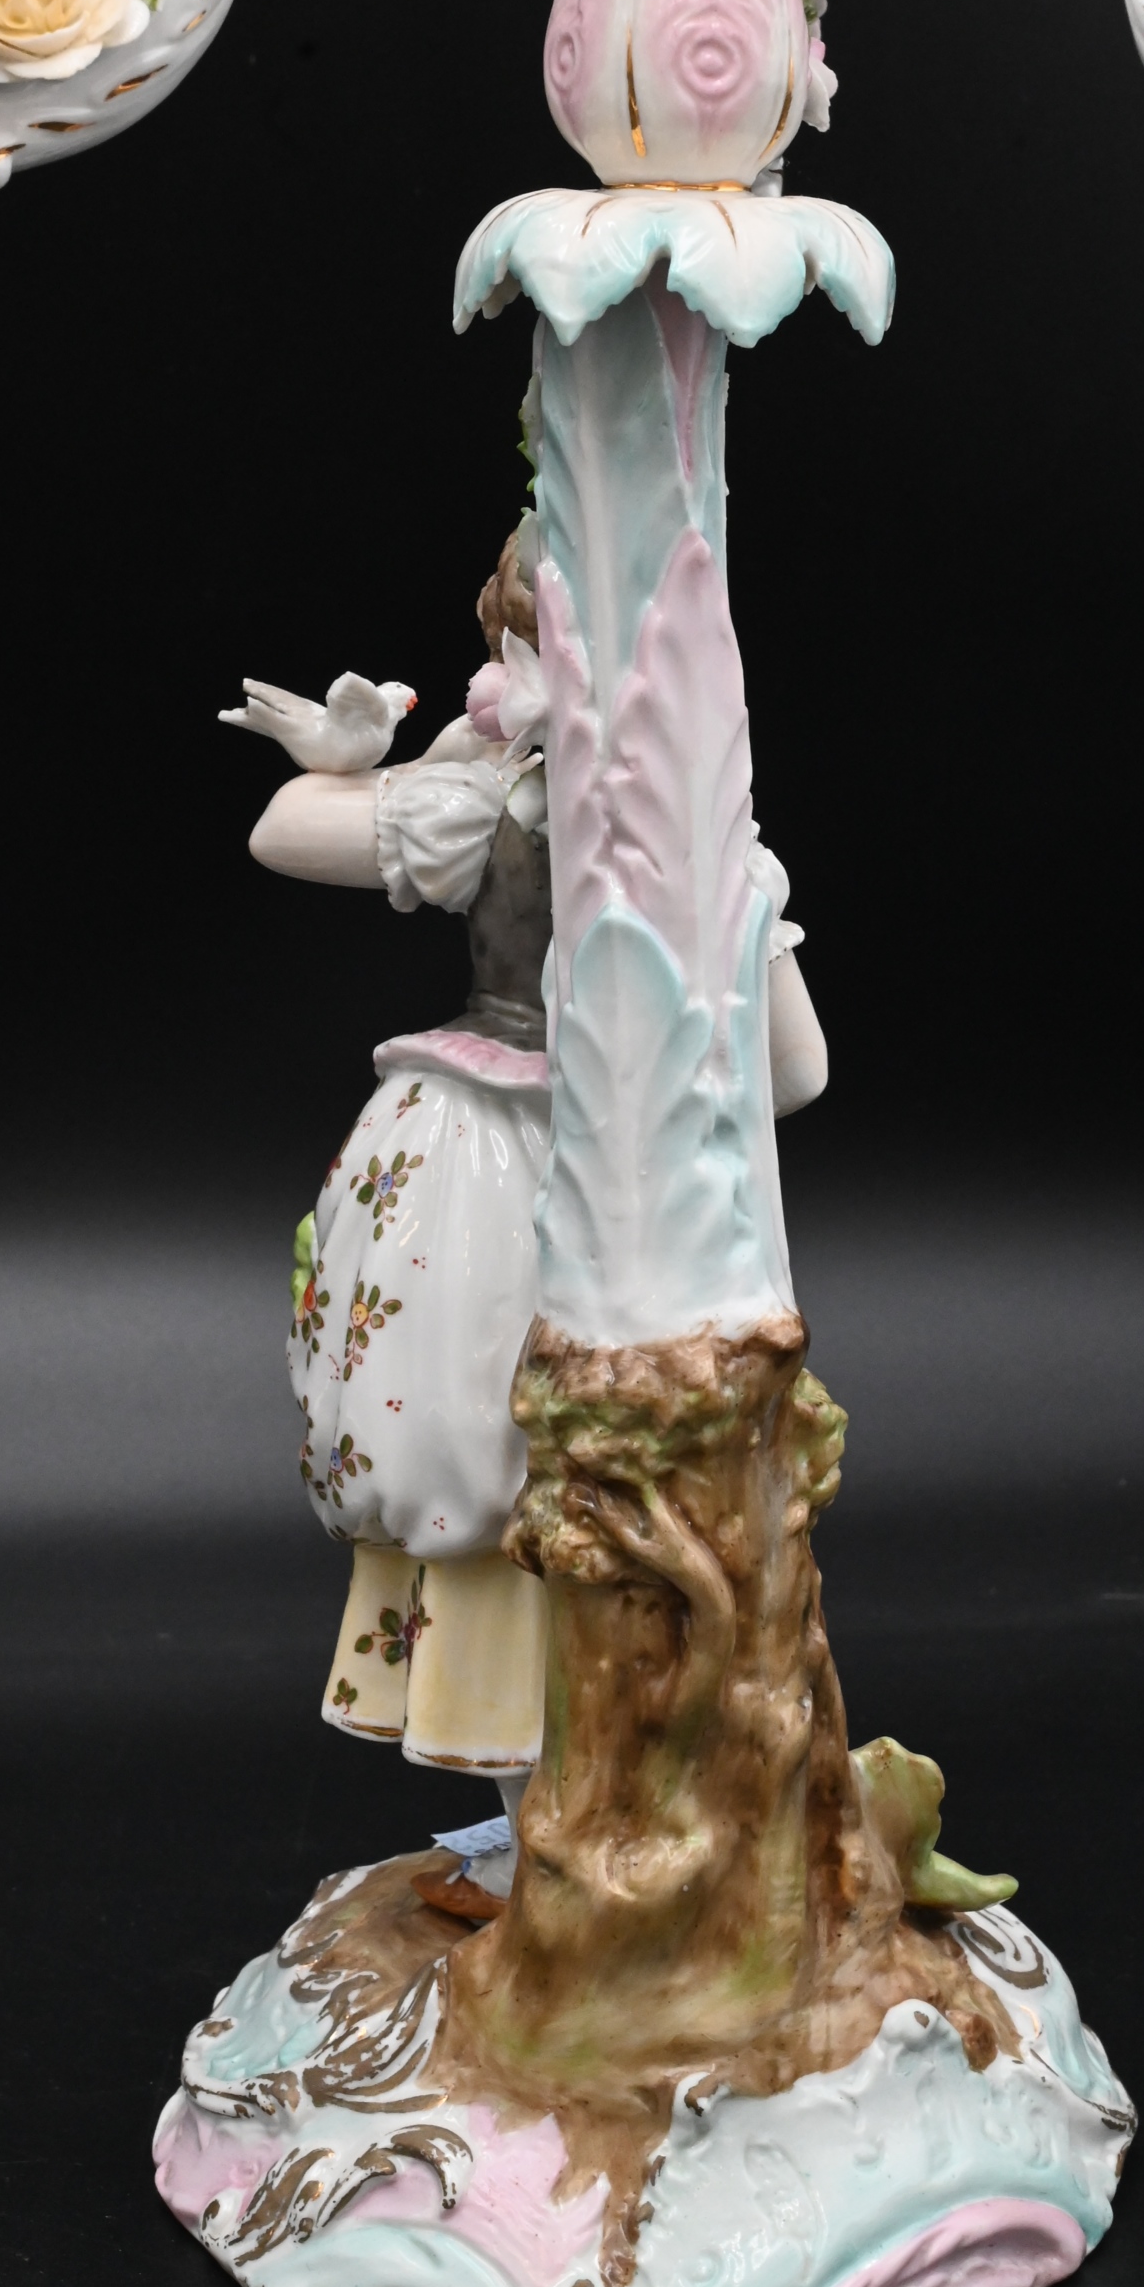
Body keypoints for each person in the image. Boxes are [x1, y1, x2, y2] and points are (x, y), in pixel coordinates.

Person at [227, 530, 829, 1904]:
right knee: (540, 1492)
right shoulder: (629, 825)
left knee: (533, 1491)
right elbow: (796, 1075)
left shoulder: (527, 806)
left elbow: (282, 831)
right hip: (588, 1183)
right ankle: (570, 1827)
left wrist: (347, 769)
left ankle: (593, 1822)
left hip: (508, 1167)